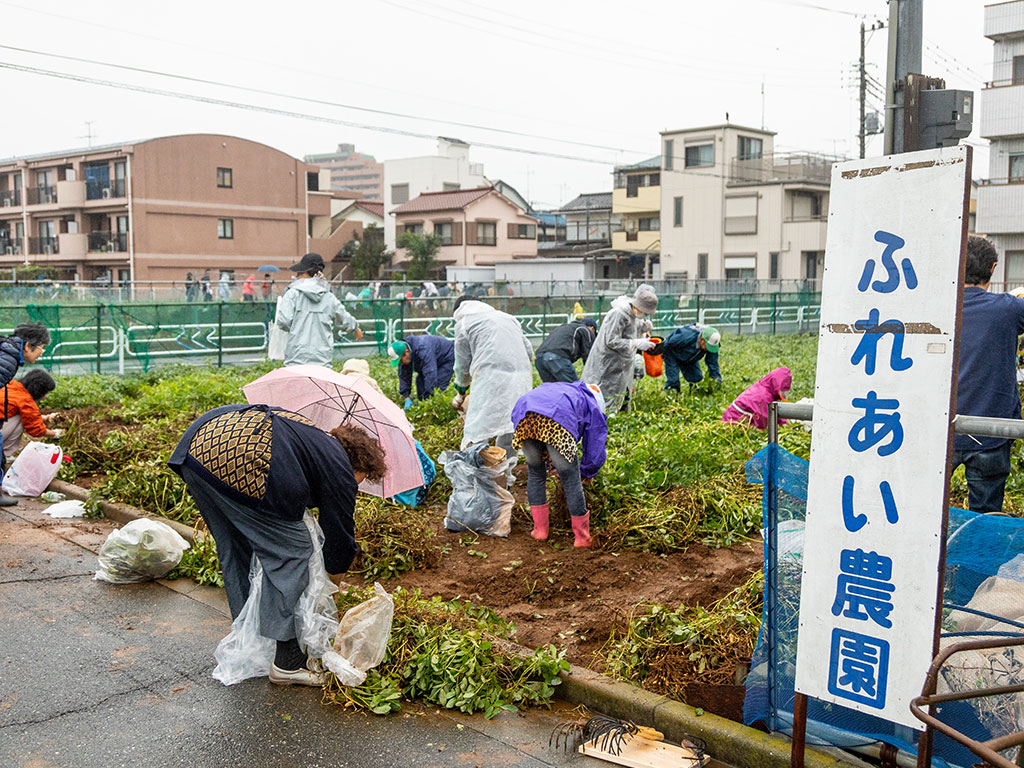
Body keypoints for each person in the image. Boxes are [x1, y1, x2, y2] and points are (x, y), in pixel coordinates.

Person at [168, 404, 386, 686]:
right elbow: (339, 535)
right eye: (363, 479)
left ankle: (255, 641)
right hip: (243, 463)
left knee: (237, 547)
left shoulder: (314, 440)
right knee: (293, 551)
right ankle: (288, 662)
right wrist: (332, 584)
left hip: (197, 450)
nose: (358, 485)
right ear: (359, 464)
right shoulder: (341, 467)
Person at [953, 236, 1024, 513]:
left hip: (940, 428)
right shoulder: (1008, 309)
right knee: (984, 518)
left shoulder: (940, 309)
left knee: (925, 510)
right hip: (991, 432)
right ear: (993, 268)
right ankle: (973, 557)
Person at [512, 382, 607, 548]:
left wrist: (552, 460)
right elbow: (595, 444)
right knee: (571, 478)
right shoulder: (591, 404)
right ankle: (582, 537)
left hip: (525, 417)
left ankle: (540, 531)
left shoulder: (565, 389)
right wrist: (587, 471)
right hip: (556, 422)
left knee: (535, 472)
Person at [452, 296, 534, 450]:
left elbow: (462, 364)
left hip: (490, 377)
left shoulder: (464, 323)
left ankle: (478, 468)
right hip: (521, 377)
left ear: (459, 311)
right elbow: (529, 350)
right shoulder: (508, 318)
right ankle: (506, 470)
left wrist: (461, 392)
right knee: (511, 424)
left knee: (477, 427)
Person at [275, 253, 363, 367]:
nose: (297, 276)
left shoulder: (292, 294)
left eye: (299, 272)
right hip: (322, 359)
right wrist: (355, 327)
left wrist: (297, 328)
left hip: (296, 357)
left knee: (299, 385)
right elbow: (342, 316)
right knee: (320, 385)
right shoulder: (328, 296)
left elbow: (283, 321)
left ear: (304, 272)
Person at [581, 284, 659, 412]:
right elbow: (611, 340)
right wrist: (634, 343)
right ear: (638, 306)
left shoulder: (633, 315)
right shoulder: (619, 314)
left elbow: (631, 331)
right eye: (645, 313)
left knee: (618, 394)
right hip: (607, 362)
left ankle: (615, 414)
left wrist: (642, 328)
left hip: (621, 364)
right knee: (601, 395)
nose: (645, 316)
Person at [0, 322, 50, 506]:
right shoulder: (7, 359)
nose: (42, 353)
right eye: (42, 348)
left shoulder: (8, 355)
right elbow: (35, 429)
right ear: (28, 346)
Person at [1, 369, 62, 460]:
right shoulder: (25, 400)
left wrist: (46, 418)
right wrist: (55, 434)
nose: (45, 397)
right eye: (45, 392)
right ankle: (6, 455)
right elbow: (36, 429)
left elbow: (24, 415)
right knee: (20, 419)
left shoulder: (12, 385)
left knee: (19, 416)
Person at [389, 335, 455, 409]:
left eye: (400, 360)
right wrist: (406, 397)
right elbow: (404, 375)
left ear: (407, 352)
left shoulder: (423, 349)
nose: (400, 363)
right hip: (433, 359)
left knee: (438, 386)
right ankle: (423, 405)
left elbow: (430, 373)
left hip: (446, 358)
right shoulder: (404, 350)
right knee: (420, 383)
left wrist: (431, 398)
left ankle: (437, 408)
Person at [722, 367, 791, 430]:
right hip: (734, 420)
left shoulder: (766, 388)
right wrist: (782, 426)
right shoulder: (763, 396)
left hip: (733, 417)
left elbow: (774, 411)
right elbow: (764, 420)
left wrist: (784, 423)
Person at [661, 324, 722, 392]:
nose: (709, 350)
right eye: (708, 346)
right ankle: (672, 395)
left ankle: (693, 395)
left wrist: (716, 381)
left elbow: (713, 363)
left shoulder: (712, 344)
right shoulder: (684, 336)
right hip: (672, 356)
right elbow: (668, 343)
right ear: (702, 340)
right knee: (673, 380)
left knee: (697, 379)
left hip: (690, 358)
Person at [535, 318, 597, 383]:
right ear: (592, 328)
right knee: (572, 388)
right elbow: (589, 357)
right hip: (557, 357)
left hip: (539, 359)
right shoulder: (586, 330)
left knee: (553, 390)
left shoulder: (563, 327)